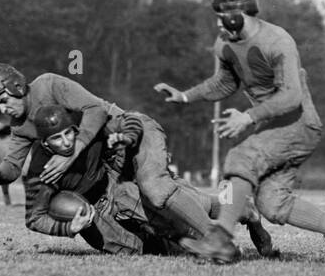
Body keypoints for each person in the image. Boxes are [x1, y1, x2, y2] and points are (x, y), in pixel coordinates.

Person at [155, 0, 325, 264]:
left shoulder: (277, 41)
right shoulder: (225, 44)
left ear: (237, 13)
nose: (217, 23)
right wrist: (184, 96)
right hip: (273, 125)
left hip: (300, 122)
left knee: (242, 156)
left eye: (221, 15)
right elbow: (224, 83)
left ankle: (220, 241)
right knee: (272, 204)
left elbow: (292, 96)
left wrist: (248, 117)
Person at [0, 63, 222, 256]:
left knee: (156, 192)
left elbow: (96, 110)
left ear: (16, 87)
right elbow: (13, 166)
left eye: (3, 101)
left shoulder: (48, 85)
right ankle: (234, 210)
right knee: (150, 226)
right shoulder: (19, 126)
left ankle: (219, 238)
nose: (2, 109)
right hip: (106, 164)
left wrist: (73, 153)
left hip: (127, 134)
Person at [21, 104, 209, 255]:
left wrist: (127, 137)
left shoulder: (89, 127)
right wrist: (68, 227)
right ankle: (164, 244)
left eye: (68, 133)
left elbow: (131, 118)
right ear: (44, 143)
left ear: (75, 128)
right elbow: (34, 219)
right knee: (135, 247)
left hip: (112, 184)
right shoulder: (40, 170)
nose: (66, 142)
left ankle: (212, 237)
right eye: (56, 138)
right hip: (90, 211)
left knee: (169, 219)